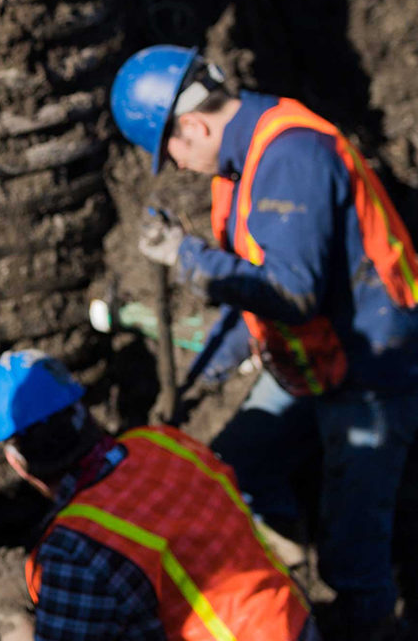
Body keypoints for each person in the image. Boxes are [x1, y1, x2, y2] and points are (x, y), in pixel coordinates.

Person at [110, 45, 418, 637]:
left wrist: (185, 257)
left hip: (372, 371)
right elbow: (256, 280)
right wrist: (219, 363)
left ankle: (368, 624)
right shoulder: (242, 159)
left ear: (193, 126)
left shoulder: (291, 156)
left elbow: (291, 292)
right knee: (236, 467)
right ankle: (287, 566)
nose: (174, 167)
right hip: (311, 361)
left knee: (354, 551)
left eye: (168, 151)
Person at [0, 348, 317, 641]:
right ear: (85, 414)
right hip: (291, 620)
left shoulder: (73, 548)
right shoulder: (164, 442)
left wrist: (12, 618)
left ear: (17, 463)